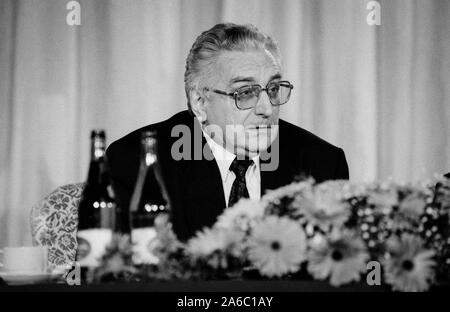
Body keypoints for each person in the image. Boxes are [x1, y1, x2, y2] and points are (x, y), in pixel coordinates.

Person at [106, 23, 349, 241]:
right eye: (245, 92)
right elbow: (115, 277)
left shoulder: (322, 164)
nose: (266, 109)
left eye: (273, 89)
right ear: (200, 102)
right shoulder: (136, 161)